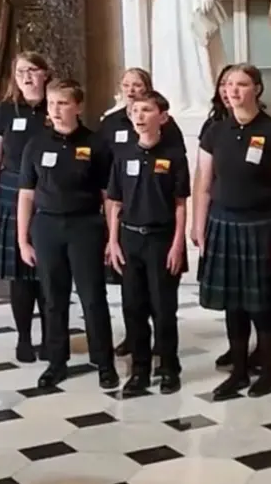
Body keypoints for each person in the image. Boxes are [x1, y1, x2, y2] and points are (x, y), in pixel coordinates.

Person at [195, 64, 271, 400]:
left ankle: (266, 372)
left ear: (256, 89)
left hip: (262, 226)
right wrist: (199, 226)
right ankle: (238, 371)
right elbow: (204, 184)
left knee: (262, 303)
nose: (233, 91)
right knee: (233, 305)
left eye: (240, 84)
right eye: (228, 84)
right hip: (223, 223)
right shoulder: (214, 132)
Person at [17, 78, 118, 390]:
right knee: (53, 300)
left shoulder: (97, 143)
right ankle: (56, 363)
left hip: (85, 226)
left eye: (62, 103)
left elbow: (109, 196)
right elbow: (26, 195)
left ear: (78, 106)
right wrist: (23, 239)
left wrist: (112, 236)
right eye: (51, 103)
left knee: (93, 299)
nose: (56, 110)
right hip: (47, 227)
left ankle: (104, 363)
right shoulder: (36, 144)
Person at [106, 91, 189, 396]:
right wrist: (113, 241)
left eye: (146, 110)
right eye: (135, 111)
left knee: (164, 309)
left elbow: (180, 203)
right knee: (133, 307)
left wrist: (178, 243)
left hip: (162, 239)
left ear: (162, 117)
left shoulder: (174, 155)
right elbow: (114, 203)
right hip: (130, 239)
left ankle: (168, 366)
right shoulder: (123, 154)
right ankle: (139, 370)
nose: (139, 116)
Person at [0, 51, 51, 363]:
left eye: (32, 70)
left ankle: (52, 338)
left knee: (49, 273)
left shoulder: (56, 107)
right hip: (11, 193)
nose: (26, 76)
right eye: (20, 71)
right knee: (21, 276)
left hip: (50, 194)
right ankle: (24, 338)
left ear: (45, 74)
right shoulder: (3, 111)